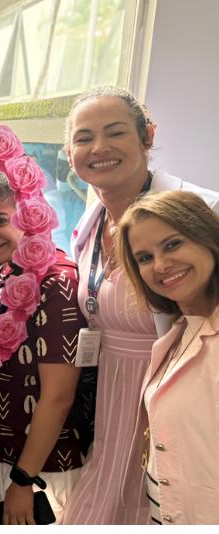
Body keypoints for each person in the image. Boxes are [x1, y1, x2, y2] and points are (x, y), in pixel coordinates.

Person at [61, 86, 219, 524]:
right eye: (84, 138)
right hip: (108, 403)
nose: (99, 148)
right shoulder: (89, 224)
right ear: (70, 154)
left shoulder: (205, 210)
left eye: (115, 132)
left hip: (176, 401)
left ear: (147, 135)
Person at [0, 169, 95, 524]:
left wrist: (24, 479)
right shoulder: (11, 271)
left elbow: (58, 396)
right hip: (10, 454)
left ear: (30, 218)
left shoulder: (56, 282)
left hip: (45, 468)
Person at [115, 191, 219, 524]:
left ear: (208, 237)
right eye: (145, 258)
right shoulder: (180, 332)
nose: (160, 266)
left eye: (172, 245)